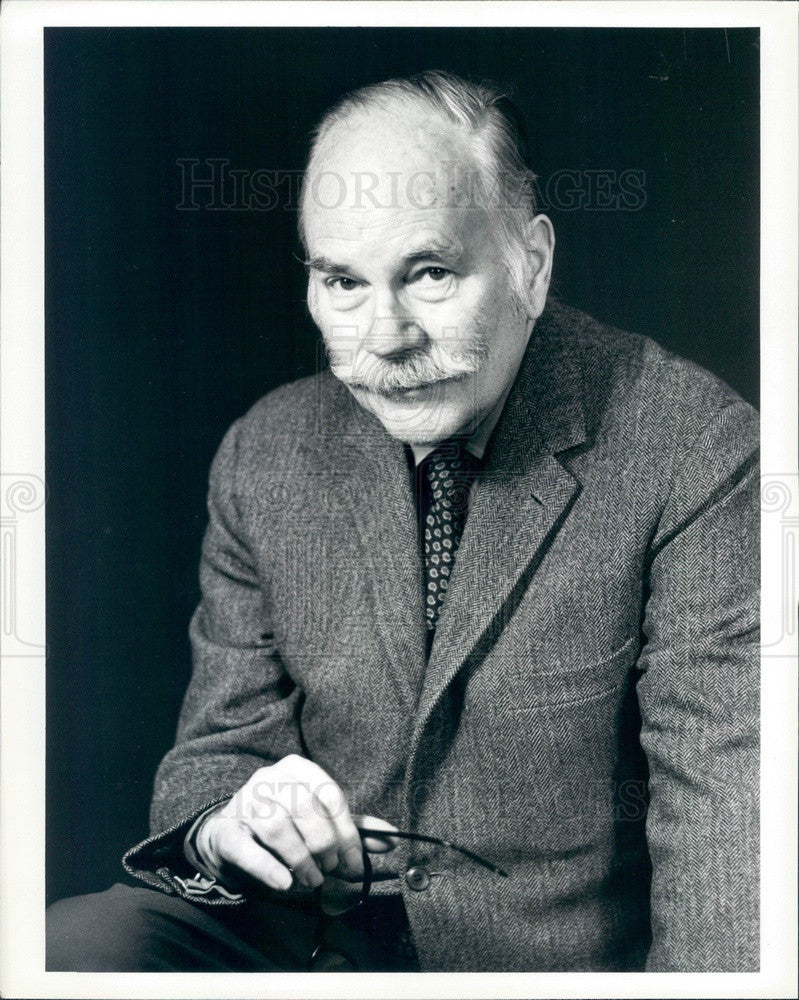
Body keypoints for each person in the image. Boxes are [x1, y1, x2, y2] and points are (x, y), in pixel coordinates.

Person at [47, 70, 759, 973]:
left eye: (429, 273)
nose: (382, 336)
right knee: (68, 950)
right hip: (308, 952)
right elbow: (213, 758)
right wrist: (235, 822)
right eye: (342, 281)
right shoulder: (266, 450)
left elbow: (733, 844)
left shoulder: (696, 451)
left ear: (530, 266)